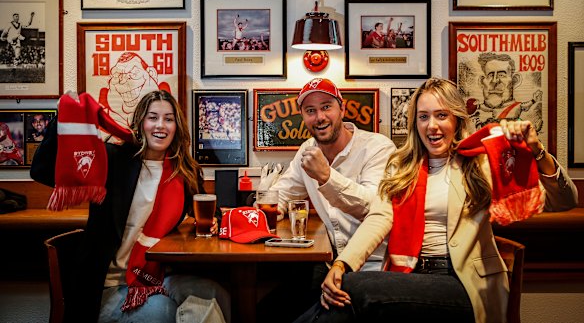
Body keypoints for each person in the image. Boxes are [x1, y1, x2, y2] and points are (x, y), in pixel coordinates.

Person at [297, 78, 578, 322]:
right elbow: (380, 217)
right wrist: (341, 264)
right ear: (415, 122)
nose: (432, 126)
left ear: (456, 119)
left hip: (461, 283)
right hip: (411, 275)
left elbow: (563, 201)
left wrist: (537, 150)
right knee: (344, 293)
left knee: (356, 290)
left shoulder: (481, 162)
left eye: (441, 115)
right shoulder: (401, 165)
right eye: (423, 116)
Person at [31, 90, 230, 323]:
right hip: (107, 285)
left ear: (177, 127)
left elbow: (205, 208)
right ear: (140, 123)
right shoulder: (112, 159)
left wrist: (214, 220)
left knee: (217, 294)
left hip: (156, 275)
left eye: (168, 119)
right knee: (162, 311)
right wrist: (62, 117)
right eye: (152, 117)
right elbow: (42, 170)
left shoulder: (184, 171)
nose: (161, 125)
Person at [258, 78, 396, 322]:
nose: (319, 117)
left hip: (377, 268)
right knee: (266, 308)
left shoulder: (377, 147)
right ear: (303, 116)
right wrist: (260, 209)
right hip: (332, 265)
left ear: (341, 109)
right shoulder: (307, 150)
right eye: (310, 111)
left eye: (326, 107)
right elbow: (281, 196)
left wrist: (326, 176)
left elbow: (373, 209)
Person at [469, 52, 543, 132]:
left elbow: (526, 106)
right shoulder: (480, 117)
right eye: (490, 75)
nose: (495, 81)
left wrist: (534, 100)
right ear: (481, 81)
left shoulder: (517, 108)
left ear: (515, 80)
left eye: (501, 75)